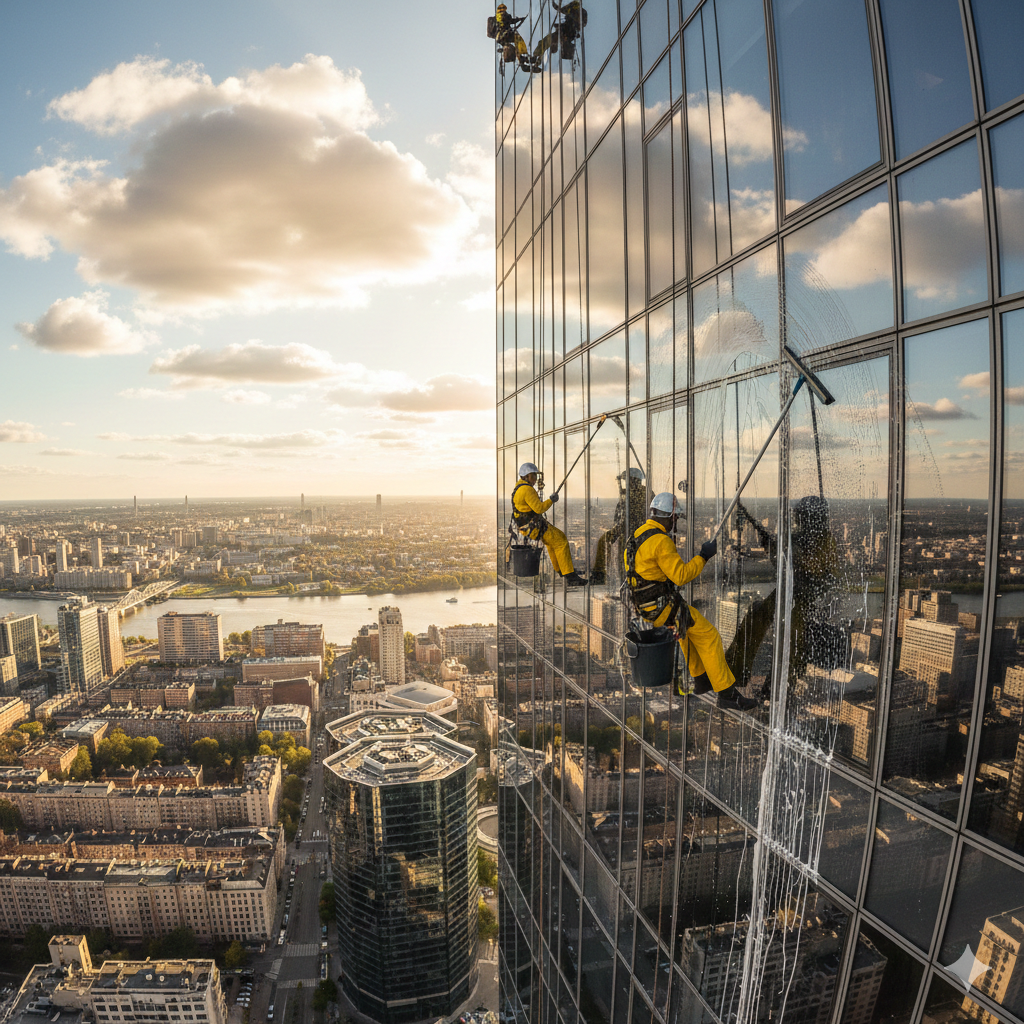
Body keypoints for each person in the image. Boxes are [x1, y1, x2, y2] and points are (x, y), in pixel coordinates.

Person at [624, 492, 757, 711]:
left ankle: (702, 679)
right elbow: (681, 575)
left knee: (686, 633)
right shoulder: (661, 541)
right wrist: (703, 556)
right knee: (709, 636)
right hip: (663, 608)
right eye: (675, 519)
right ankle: (727, 693)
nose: (675, 523)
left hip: (645, 606)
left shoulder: (637, 535)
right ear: (668, 516)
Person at [725, 495, 843, 689]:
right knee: (760, 619)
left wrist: (775, 547)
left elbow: (802, 567)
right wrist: (773, 546)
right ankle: (741, 674)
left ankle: (771, 686)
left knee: (791, 644)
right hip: (791, 594)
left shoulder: (822, 541)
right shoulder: (807, 538)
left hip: (802, 598)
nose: (799, 520)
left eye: (802, 517)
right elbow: (786, 562)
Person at [512, 462, 588, 587]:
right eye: (533, 476)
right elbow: (539, 508)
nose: (535, 479)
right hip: (534, 527)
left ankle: (562, 571)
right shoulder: (527, 489)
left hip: (528, 526)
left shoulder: (518, 487)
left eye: (536, 476)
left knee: (552, 543)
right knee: (561, 541)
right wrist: (551, 500)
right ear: (526, 476)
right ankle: (570, 576)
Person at [590, 467, 646, 586]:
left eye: (628, 480)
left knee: (621, 555)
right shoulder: (642, 492)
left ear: (633, 481)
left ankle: (604, 575)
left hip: (631, 529)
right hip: (629, 528)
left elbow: (627, 513)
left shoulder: (634, 494)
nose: (627, 483)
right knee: (609, 545)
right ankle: (605, 575)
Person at [492, 4, 539, 72]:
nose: (505, 11)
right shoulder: (501, 15)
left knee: (514, 47)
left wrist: (519, 19)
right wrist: (519, 19)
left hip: (501, 37)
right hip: (504, 35)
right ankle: (524, 60)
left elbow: (509, 21)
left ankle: (523, 60)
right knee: (518, 40)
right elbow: (510, 20)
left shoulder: (497, 17)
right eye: (504, 9)